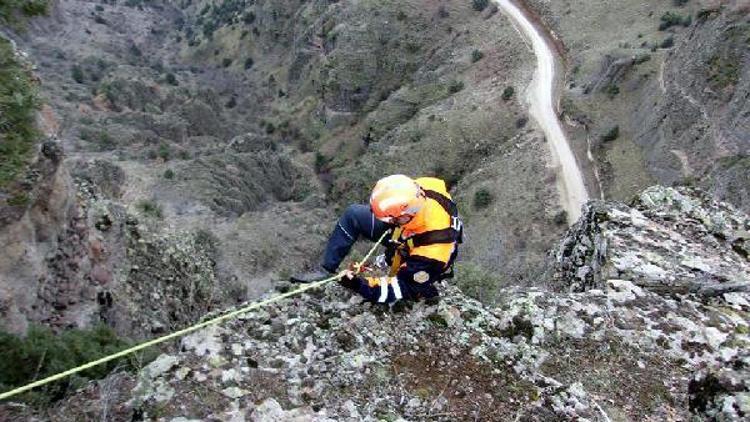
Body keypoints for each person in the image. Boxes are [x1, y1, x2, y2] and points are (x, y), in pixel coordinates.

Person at [290, 174, 462, 303]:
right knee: (353, 215)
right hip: (410, 231)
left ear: (403, 216)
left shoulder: (434, 251)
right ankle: (325, 269)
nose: (384, 222)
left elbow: (397, 288)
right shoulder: (422, 188)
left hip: (423, 254)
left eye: (389, 219)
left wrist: (358, 284)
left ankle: (422, 285)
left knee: (410, 287)